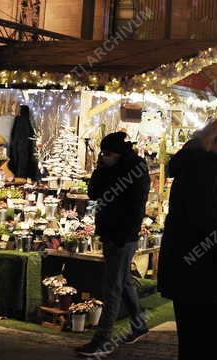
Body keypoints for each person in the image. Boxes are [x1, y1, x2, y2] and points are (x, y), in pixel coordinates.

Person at [159, 119, 217, 360]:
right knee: (216, 336)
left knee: (195, 338)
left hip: (195, 271)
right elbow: (209, 222)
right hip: (206, 273)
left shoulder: (197, 165)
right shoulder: (206, 169)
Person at [77, 131, 151, 357]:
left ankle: (102, 339)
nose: (104, 157)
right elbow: (93, 192)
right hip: (111, 233)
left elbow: (135, 205)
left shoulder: (136, 170)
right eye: (103, 154)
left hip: (122, 235)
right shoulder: (108, 169)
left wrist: (124, 232)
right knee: (123, 281)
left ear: (118, 154)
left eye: (107, 154)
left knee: (112, 287)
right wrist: (101, 169)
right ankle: (139, 324)